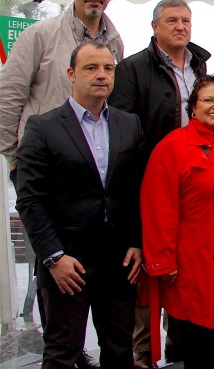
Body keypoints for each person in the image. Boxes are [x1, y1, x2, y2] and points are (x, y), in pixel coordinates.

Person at [0, 0, 121, 369]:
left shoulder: (114, 40)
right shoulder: (40, 36)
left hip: (92, 184)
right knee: (58, 277)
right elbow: (9, 100)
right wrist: (19, 165)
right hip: (47, 172)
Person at [15, 42, 145, 369]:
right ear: (71, 74)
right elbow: (30, 199)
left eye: (108, 68)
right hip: (67, 264)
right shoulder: (42, 127)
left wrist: (137, 243)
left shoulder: (129, 124)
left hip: (118, 263)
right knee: (62, 353)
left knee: (119, 351)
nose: (101, 75)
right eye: (91, 68)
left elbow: (135, 191)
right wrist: (53, 257)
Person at [111, 0, 209, 367]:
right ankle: (144, 353)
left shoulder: (201, 66)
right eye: (171, 20)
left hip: (196, 188)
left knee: (186, 272)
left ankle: (179, 349)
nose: (180, 27)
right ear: (155, 26)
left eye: (186, 20)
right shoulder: (133, 69)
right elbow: (121, 132)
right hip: (153, 184)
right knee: (150, 272)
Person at [140, 75, 214, 368]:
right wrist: (162, 262)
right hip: (193, 265)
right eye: (208, 100)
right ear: (193, 108)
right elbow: (158, 209)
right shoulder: (174, 147)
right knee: (198, 343)